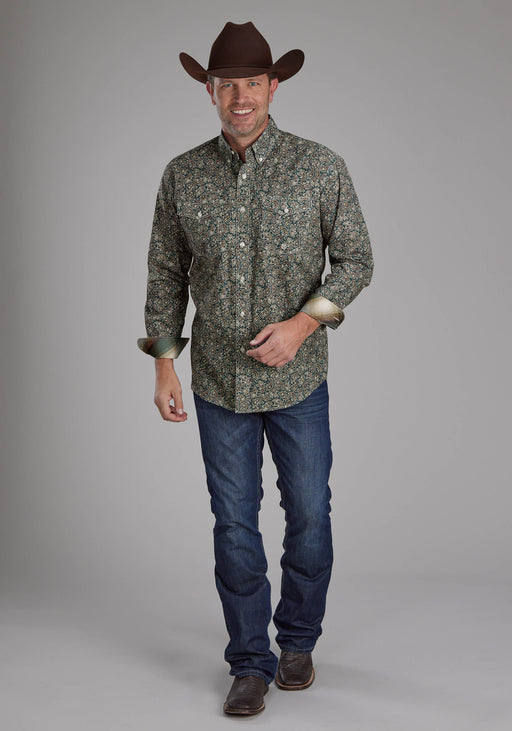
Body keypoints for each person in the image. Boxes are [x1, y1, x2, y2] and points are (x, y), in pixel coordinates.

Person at [137, 21, 374, 716]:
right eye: (226, 84)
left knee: (309, 515)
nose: (239, 96)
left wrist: (303, 325)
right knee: (234, 524)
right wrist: (164, 363)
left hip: (298, 382)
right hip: (216, 381)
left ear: (273, 87)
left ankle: (297, 641)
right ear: (209, 91)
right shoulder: (183, 174)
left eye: (251, 83)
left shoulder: (319, 166)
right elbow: (165, 272)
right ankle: (248, 661)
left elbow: (357, 259)